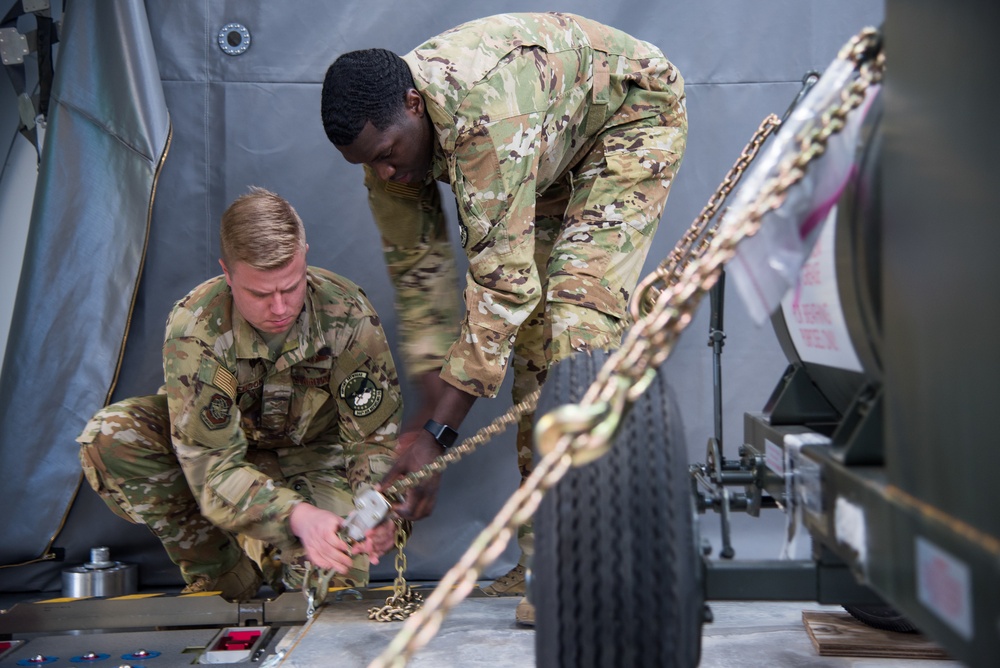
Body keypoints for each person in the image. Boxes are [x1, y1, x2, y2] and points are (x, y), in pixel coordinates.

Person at [320, 12, 687, 623]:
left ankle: (587, 567)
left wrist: (439, 437)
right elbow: (422, 283)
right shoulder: (384, 151)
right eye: (367, 163)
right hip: (550, 145)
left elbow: (501, 290)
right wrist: (426, 436)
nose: (384, 173)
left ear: (414, 104)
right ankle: (544, 558)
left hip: (630, 119)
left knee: (576, 326)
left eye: (387, 154)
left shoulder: (483, 115)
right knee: (537, 347)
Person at [77, 187, 403, 600]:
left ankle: (279, 555)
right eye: (260, 294)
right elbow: (212, 466)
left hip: (315, 458)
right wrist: (294, 516)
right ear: (228, 275)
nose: (281, 306)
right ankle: (222, 573)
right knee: (113, 434)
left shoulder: (347, 313)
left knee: (328, 595)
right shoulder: (197, 327)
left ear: (305, 253)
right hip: (228, 458)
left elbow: (372, 441)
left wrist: (375, 512)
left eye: (292, 285)